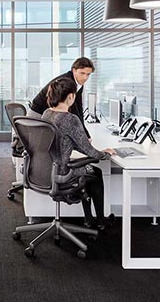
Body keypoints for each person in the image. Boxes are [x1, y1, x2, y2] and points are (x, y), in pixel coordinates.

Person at [40, 76, 116, 230]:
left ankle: (89, 219)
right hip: (63, 171)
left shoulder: (46, 114)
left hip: (45, 168)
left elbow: (69, 143)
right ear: (70, 97)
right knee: (95, 172)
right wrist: (105, 155)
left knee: (87, 171)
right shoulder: (70, 119)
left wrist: (95, 151)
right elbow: (89, 150)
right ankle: (101, 221)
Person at [30, 57, 95, 137]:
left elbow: (79, 108)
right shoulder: (68, 82)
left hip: (51, 113)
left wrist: (85, 134)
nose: (85, 78)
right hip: (39, 112)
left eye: (88, 74)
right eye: (82, 73)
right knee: (37, 139)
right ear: (74, 70)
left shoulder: (79, 84)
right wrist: (85, 135)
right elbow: (74, 110)